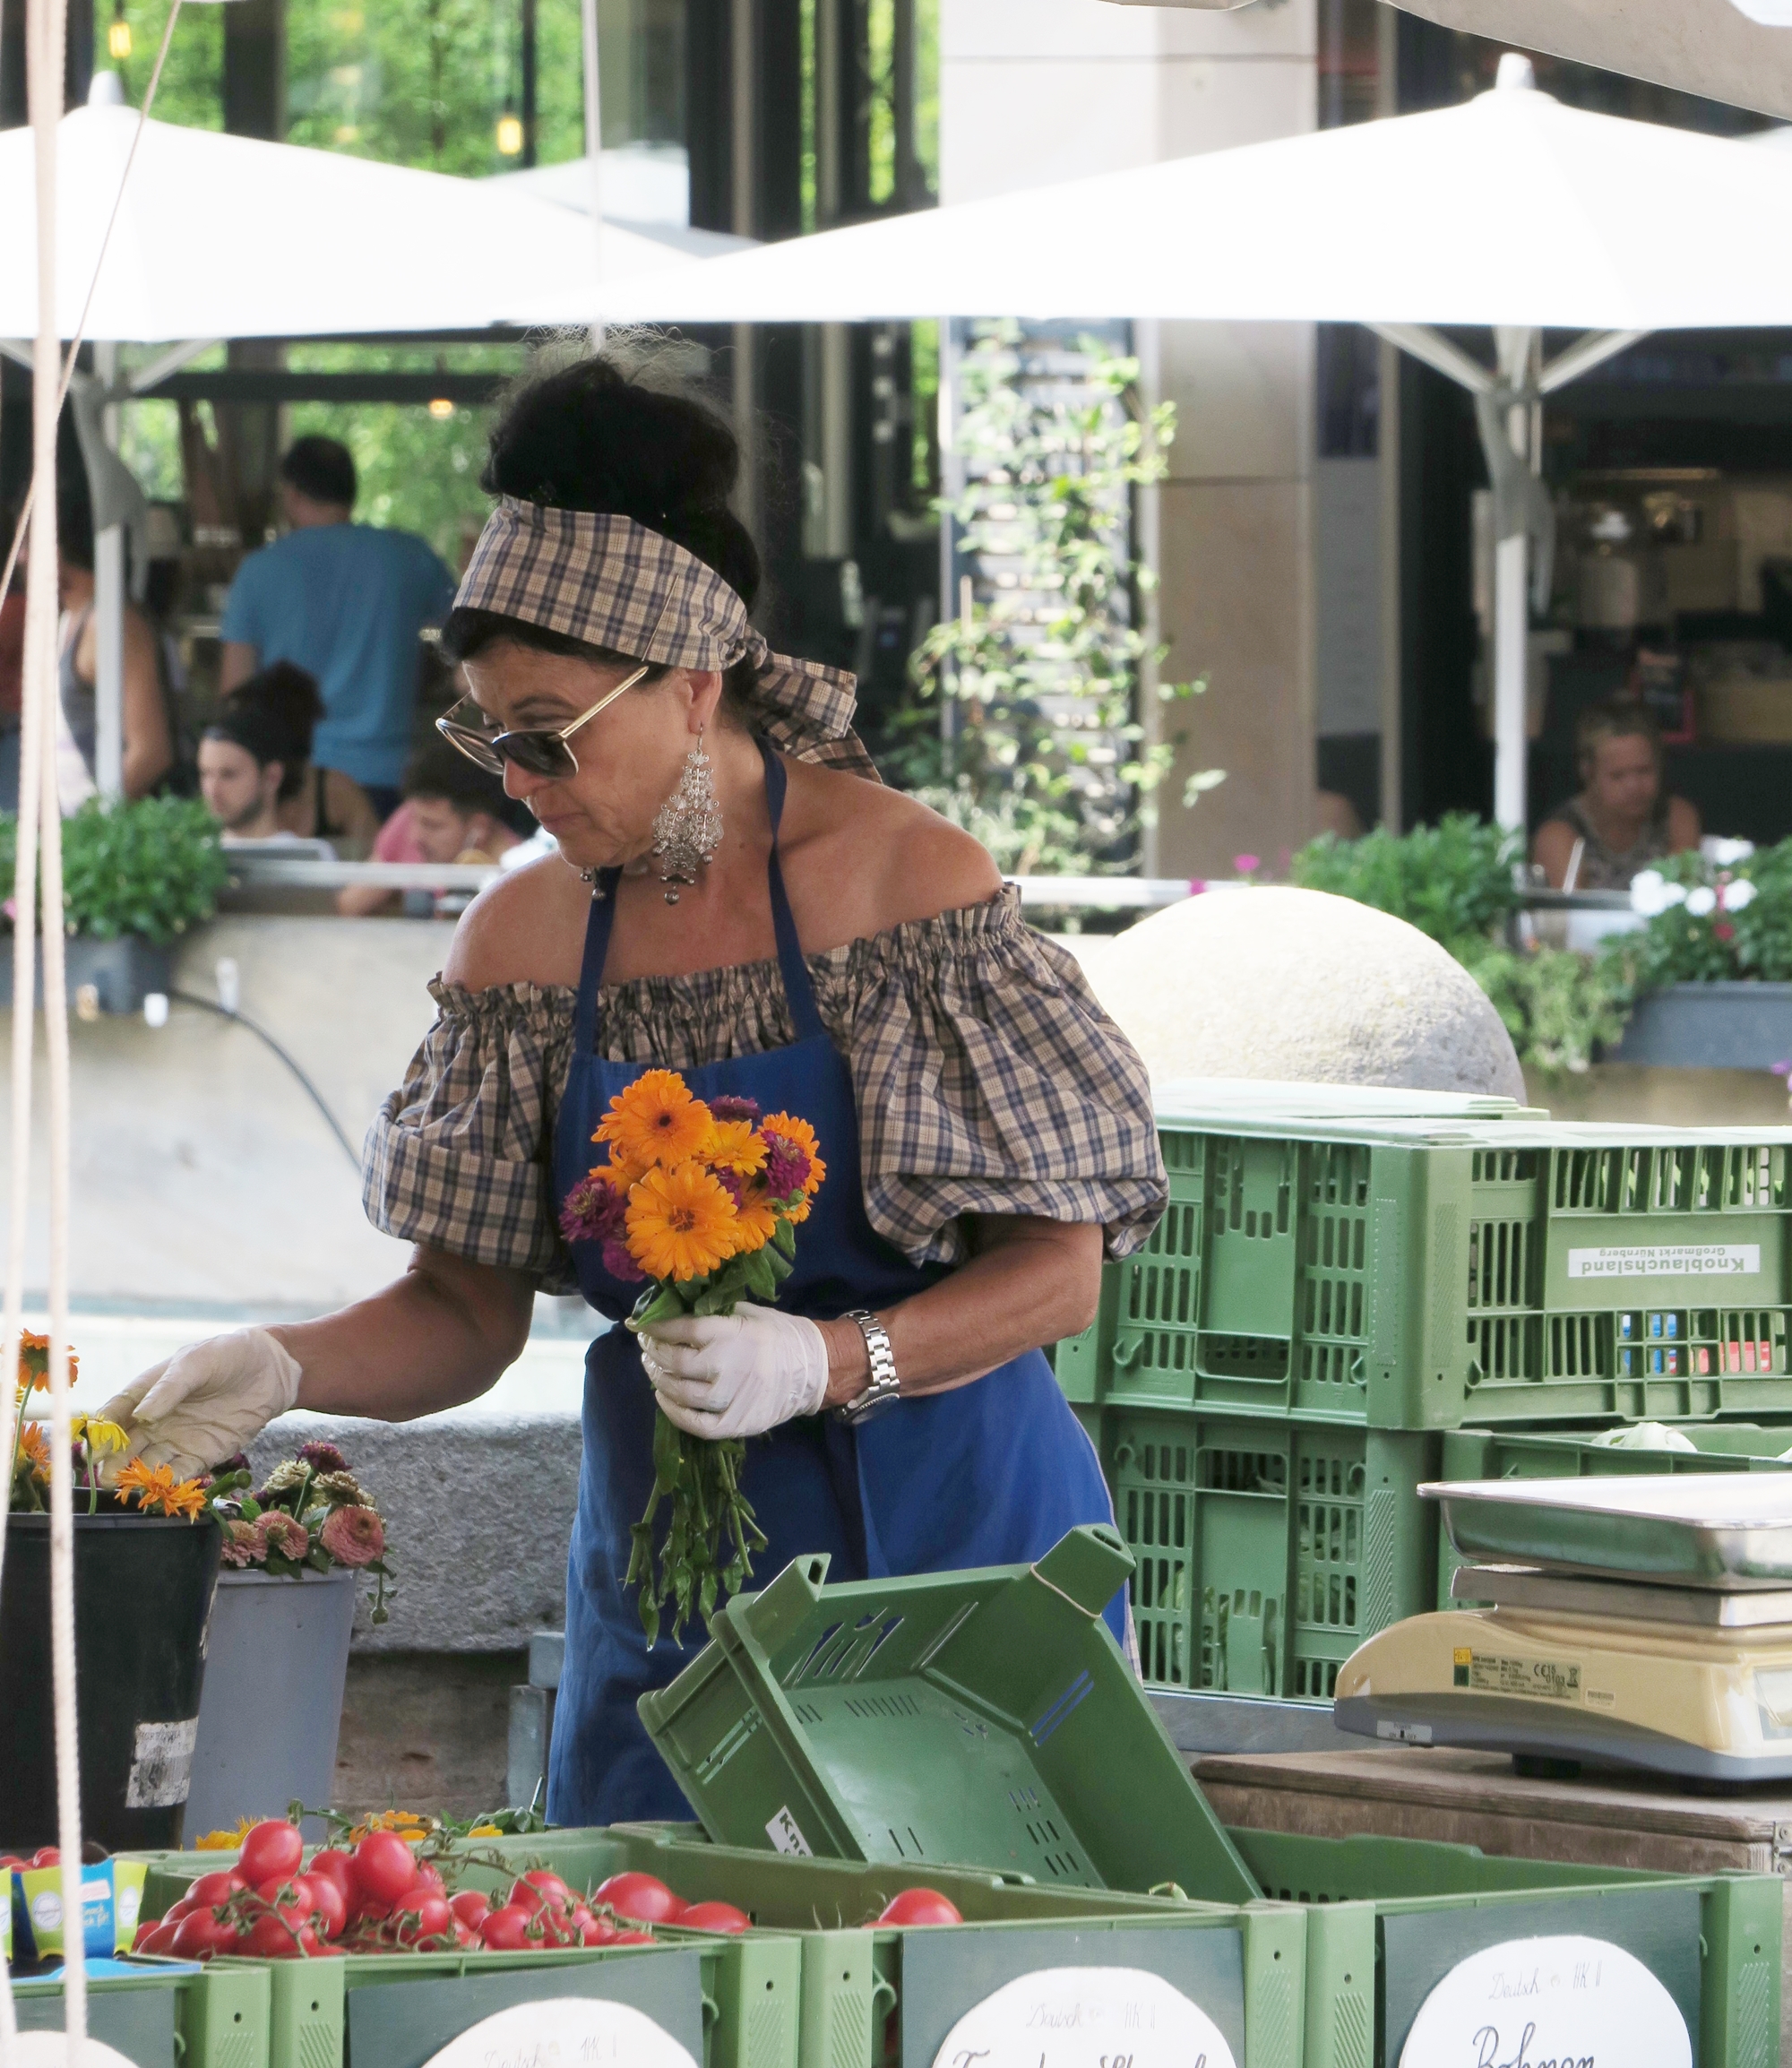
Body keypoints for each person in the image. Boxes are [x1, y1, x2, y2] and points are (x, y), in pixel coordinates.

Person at [99, 355, 1166, 1827]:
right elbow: (463, 1316)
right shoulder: (524, 939)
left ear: (691, 681)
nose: (519, 781)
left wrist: (832, 1361)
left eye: (549, 731)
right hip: (684, 1612)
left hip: (959, 1567)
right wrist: (280, 1366)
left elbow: (1057, 1272)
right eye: (489, 736)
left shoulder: (902, 884)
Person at [220, 435, 457, 820]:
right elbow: (470, 629)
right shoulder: (407, 556)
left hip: (296, 782)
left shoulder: (259, 571)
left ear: (292, 494)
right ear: (350, 490)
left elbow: (235, 689)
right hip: (387, 774)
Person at [57, 504, 177, 801]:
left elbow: (151, 753)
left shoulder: (112, 623)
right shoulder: (67, 620)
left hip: (98, 836)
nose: (20, 557)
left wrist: (94, 828)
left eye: (30, 546)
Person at [337, 735, 531, 915]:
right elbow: (348, 906)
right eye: (415, 819)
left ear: (479, 827)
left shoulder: (516, 877)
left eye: (433, 826)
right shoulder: (409, 819)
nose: (414, 837)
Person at [1532, 702, 1701, 891]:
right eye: (1617, 776)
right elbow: (1565, 916)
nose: (1633, 786)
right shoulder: (1560, 834)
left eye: (1644, 771)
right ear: (1588, 772)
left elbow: (1684, 897)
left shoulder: (1675, 818)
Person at [198, 662, 327, 845]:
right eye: (205, 773)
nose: (212, 790)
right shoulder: (189, 858)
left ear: (271, 777)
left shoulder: (311, 860)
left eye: (229, 775)